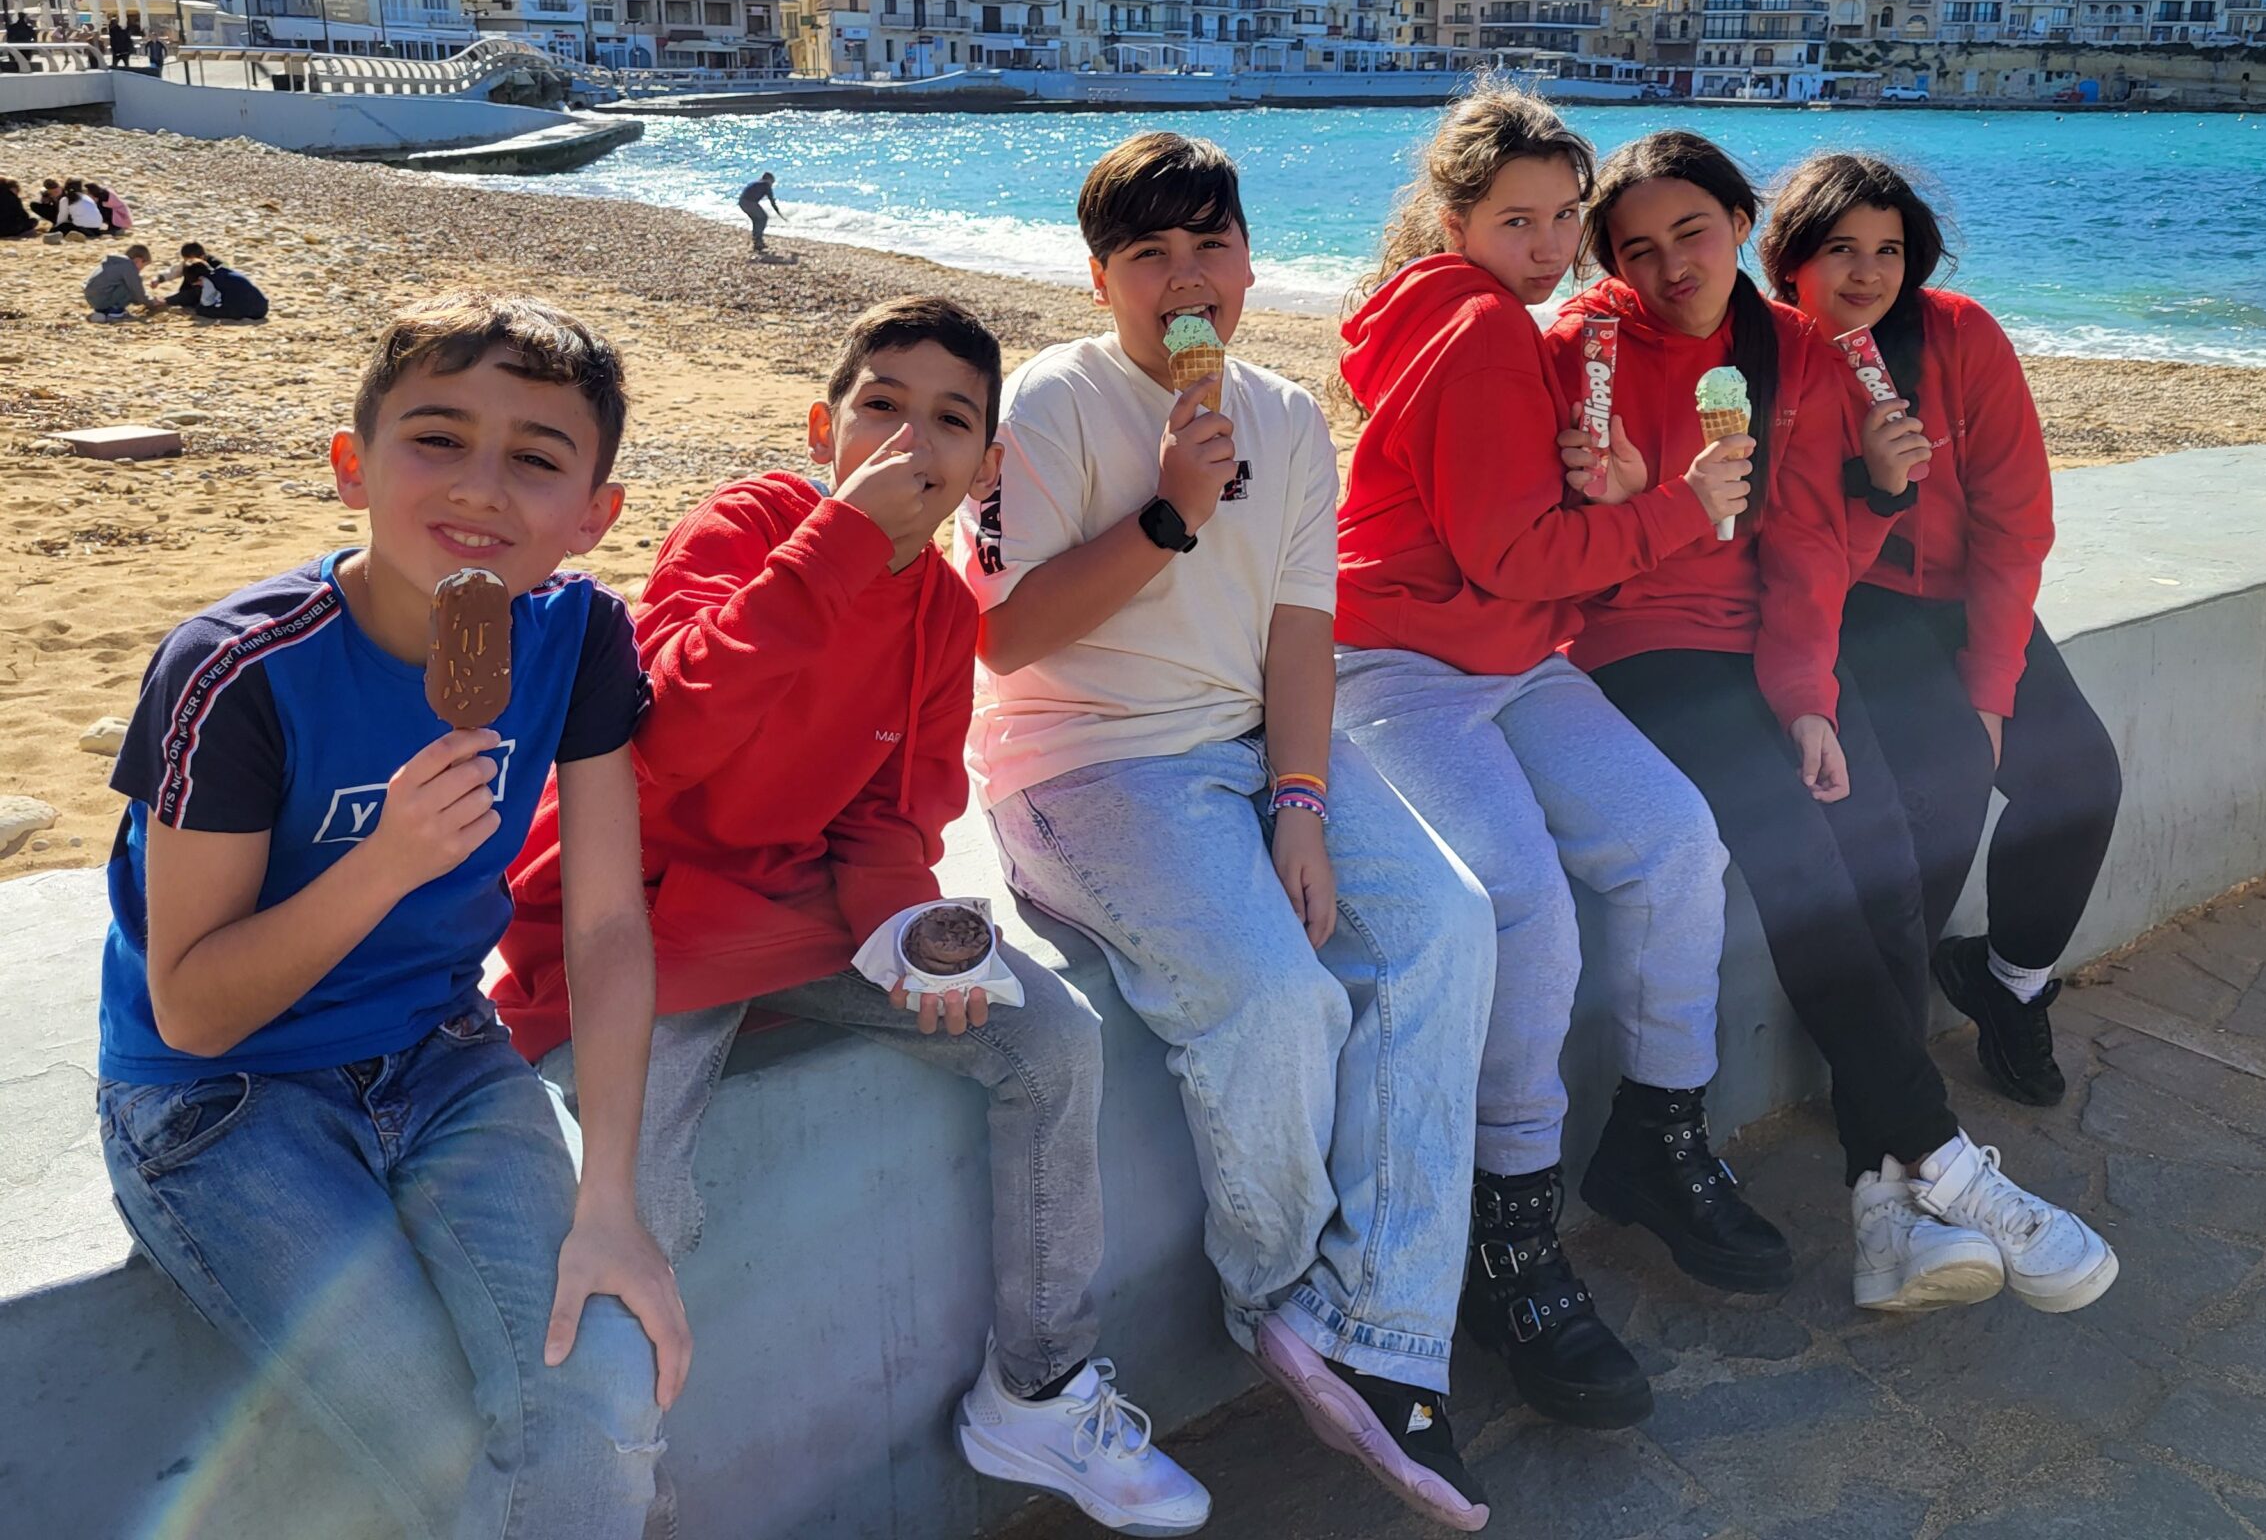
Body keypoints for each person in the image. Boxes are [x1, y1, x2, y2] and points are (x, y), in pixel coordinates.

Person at [497, 294, 1211, 1537]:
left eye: (950, 422)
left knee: (1051, 1041)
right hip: (647, 923)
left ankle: (1040, 1387)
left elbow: (891, 819)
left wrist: (910, 941)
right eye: (882, 406)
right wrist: (832, 546)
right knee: (630, 1201)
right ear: (825, 428)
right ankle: (623, 1499)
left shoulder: (943, 612)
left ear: (986, 468)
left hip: (805, 917)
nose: (910, 441)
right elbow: (668, 737)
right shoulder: (748, 526)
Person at [958, 131, 1499, 1531]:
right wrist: (1169, 512)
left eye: (1212, 245)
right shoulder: (1051, 405)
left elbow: (1302, 629)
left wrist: (1302, 804)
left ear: (1253, 263)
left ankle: (1385, 1329)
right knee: (1273, 996)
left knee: (1446, 925)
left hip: (1255, 745)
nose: (1186, 278)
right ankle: (1283, 1300)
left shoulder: (1289, 417)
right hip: (1089, 765)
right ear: (1101, 280)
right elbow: (1007, 638)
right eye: (1149, 254)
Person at [95, 296, 687, 1539]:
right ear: (352, 466)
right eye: (438, 438)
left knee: (598, 1391)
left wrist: (612, 1202)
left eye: (535, 458)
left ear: (595, 514)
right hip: (220, 1099)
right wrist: (385, 862)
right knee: (447, 1450)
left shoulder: (577, 637)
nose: (481, 487)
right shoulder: (237, 671)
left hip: (440, 1052)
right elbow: (192, 1009)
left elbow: (605, 928)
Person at [1553, 130, 2118, 1317]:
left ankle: (1885, 1208)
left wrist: (1806, 697)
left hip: (1768, 639)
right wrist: (1620, 501)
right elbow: (1544, 547)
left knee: (1881, 867)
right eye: (1636, 249)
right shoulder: (1581, 352)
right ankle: (1947, 1169)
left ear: (1738, 227)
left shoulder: (1791, 352)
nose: (1669, 267)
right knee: (1801, 862)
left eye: (1692, 232)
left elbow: (1808, 546)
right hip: (1636, 645)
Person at [1329, 84, 1787, 1431]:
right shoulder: (1474, 328)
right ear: (1452, 220)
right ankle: (1508, 1231)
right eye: (1514, 220)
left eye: (1563, 219)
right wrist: (1681, 510)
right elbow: (1513, 555)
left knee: (1672, 840)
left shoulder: (1504, 327)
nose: (1547, 246)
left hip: (1510, 657)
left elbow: (1521, 540)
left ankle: (1657, 1132)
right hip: (1399, 664)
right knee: (1525, 908)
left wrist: (1602, 478)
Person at [1760, 152, 2123, 1109]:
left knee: (2080, 779)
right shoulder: (1769, 357)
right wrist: (1871, 482)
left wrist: (1991, 690)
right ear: (1790, 258)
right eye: (1840, 249)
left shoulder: (1959, 336)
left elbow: (2015, 524)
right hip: (1849, 604)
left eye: (1889, 250)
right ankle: (1883, 1051)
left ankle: (2010, 984)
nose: (1867, 273)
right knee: (1938, 793)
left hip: (1966, 593)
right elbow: (1786, 542)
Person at [174, 253, 270, 320]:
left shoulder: (207, 281)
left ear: (200, 278)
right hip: (262, 306)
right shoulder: (222, 271)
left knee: (201, 310)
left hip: (248, 311)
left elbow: (206, 302)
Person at [85, 242, 157, 318]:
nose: (142, 269)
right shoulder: (129, 267)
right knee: (131, 285)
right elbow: (137, 292)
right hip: (102, 299)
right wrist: (151, 302)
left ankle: (103, 311)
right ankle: (115, 311)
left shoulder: (116, 262)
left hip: (92, 298)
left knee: (127, 283)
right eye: (143, 265)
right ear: (138, 260)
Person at [738, 171, 782, 255]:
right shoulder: (766, 185)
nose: (772, 184)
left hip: (742, 202)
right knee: (763, 218)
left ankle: (757, 241)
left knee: (756, 220)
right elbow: (772, 201)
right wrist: (779, 213)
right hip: (749, 202)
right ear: (769, 180)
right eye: (772, 182)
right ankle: (758, 241)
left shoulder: (757, 183)